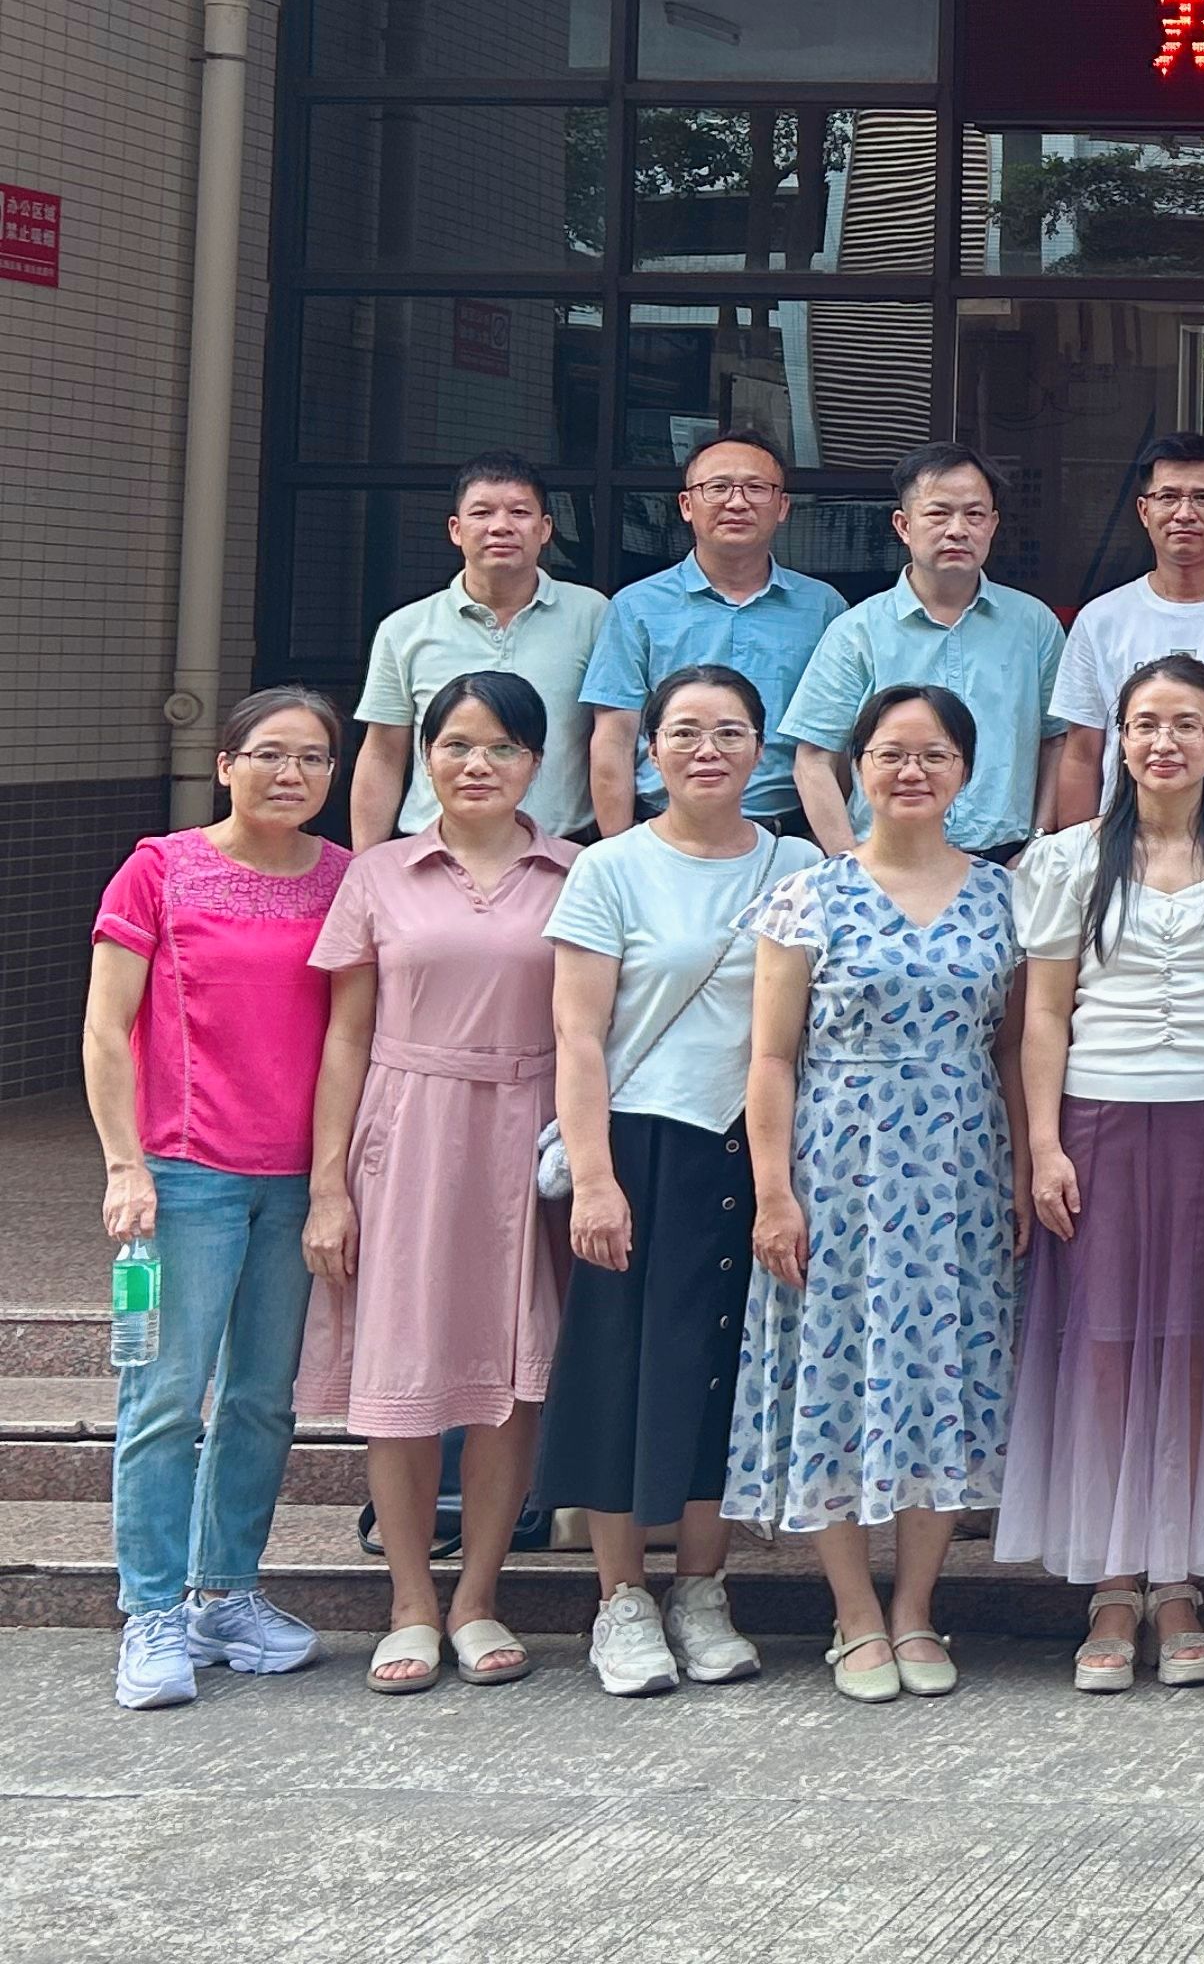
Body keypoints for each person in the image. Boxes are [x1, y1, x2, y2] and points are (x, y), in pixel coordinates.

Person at [1003, 656, 1204, 1690]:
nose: (1163, 742)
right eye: (1144, 724)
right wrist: (1043, 1143)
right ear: (1120, 741)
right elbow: (1045, 1012)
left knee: (1197, 1346)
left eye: (1186, 724)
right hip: (1099, 1121)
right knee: (1102, 1346)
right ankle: (1111, 1581)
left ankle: (1178, 1582)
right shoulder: (1066, 859)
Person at [721, 687, 1026, 1705]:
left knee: (944, 1373)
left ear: (965, 771)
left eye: (934, 754)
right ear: (857, 767)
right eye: (891, 753)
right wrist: (774, 1193)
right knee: (838, 1371)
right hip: (839, 1166)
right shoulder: (810, 895)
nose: (911, 771)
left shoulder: (1004, 896)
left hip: (961, 1166)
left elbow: (1013, 1048)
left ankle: (917, 1608)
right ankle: (853, 1615)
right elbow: (772, 1057)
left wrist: (1024, 1168)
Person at [538, 664, 820, 1698]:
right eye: (686, 732)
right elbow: (578, 1036)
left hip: (758, 1148)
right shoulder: (610, 868)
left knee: (723, 1372)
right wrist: (595, 1179)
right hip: (644, 1144)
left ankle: (702, 1589)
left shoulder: (799, 864)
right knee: (620, 1367)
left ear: (762, 750)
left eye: (731, 731)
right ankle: (621, 1599)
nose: (709, 750)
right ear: (650, 749)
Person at [296, 672, 575, 1694]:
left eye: (502, 747)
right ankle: (410, 1601)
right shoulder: (379, 874)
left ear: (535, 763)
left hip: (531, 1132)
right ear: (425, 758)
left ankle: (479, 1597)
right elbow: (345, 1035)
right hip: (408, 1130)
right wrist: (329, 1185)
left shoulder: (577, 872)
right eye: (456, 744)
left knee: (510, 1373)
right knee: (404, 1370)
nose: (477, 765)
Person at [86, 685, 352, 1709]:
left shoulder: (343, 879)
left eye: (314, 758)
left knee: (261, 1399)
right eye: (271, 753)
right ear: (225, 764)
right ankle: (150, 1611)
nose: (292, 774)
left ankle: (226, 1593)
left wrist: (331, 1181)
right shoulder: (159, 869)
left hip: (295, 1178)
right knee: (165, 1395)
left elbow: (350, 1034)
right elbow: (106, 1027)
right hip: (184, 1171)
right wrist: (124, 1166)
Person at [782, 443, 1065, 864]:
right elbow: (813, 760)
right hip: (886, 864)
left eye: (974, 514)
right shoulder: (857, 631)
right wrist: (851, 863)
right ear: (903, 525)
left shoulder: (1034, 624)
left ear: (993, 524)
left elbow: (1058, 741)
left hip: (1008, 863)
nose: (958, 529)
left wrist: (1037, 845)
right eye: (938, 513)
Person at [584, 427, 843, 835]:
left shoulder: (824, 608)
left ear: (782, 506)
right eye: (718, 487)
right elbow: (614, 738)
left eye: (756, 488)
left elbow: (839, 739)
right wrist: (620, 851)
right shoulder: (636, 607)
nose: (737, 502)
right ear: (686, 505)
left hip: (790, 837)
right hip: (664, 834)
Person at [1048, 432, 1204, 831]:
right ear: (1143, 510)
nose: (1184, 513)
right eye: (1167, 497)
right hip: (1125, 845)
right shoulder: (1100, 619)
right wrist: (1078, 852)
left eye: (1203, 498)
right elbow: (1082, 754)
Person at [351, 455, 607, 845]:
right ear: (456, 529)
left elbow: (614, 739)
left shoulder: (594, 616)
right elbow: (383, 755)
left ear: (545, 529)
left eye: (519, 512)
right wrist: (366, 864)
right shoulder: (405, 628)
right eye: (482, 513)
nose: (500, 526)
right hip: (432, 852)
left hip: (561, 852)